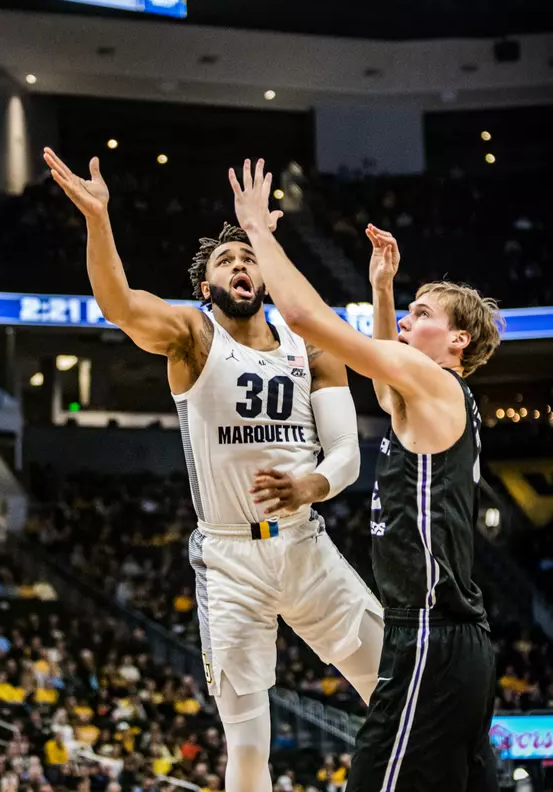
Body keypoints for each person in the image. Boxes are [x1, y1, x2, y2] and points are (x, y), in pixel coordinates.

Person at [43, 148, 384, 792]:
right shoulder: (193, 336)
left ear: (268, 278)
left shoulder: (312, 348)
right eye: (227, 261)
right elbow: (118, 304)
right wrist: (98, 220)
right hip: (230, 560)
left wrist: (308, 484)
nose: (240, 266)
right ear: (207, 286)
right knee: (249, 743)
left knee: (393, 693)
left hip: (306, 543)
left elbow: (345, 454)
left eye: (249, 258)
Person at [228, 159, 501, 792]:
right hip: (451, 636)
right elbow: (384, 389)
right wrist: (382, 289)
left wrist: (259, 235)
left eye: (422, 313)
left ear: (457, 340)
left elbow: (304, 319)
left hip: (431, 637)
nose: (408, 319)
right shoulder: (432, 396)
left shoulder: (435, 382)